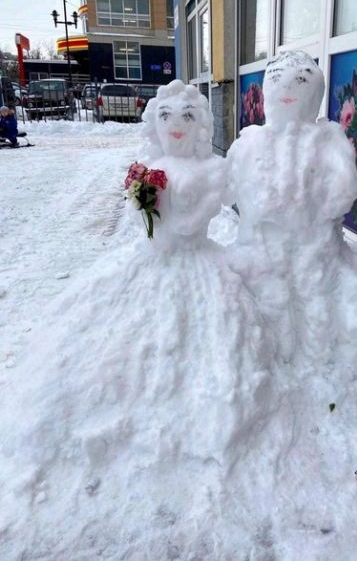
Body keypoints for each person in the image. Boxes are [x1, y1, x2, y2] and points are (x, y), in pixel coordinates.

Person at [0, 80, 281, 558]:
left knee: (211, 345)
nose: (175, 126)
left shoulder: (214, 169)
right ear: (155, 122)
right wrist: (145, 207)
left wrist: (164, 218)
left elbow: (192, 225)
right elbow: (146, 229)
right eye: (166, 116)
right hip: (151, 266)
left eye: (186, 118)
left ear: (199, 127)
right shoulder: (146, 169)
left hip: (197, 267)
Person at [227, 50, 357, 372]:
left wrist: (321, 210)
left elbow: (345, 188)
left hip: (312, 242)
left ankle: (315, 356)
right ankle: (273, 355)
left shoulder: (328, 140)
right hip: (265, 242)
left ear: (313, 93)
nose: (288, 91)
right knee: (270, 295)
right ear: (268, 90)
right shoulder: (251, 142)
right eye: (278, 82)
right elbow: (230, 185)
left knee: (313, 296)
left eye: (300, 82)